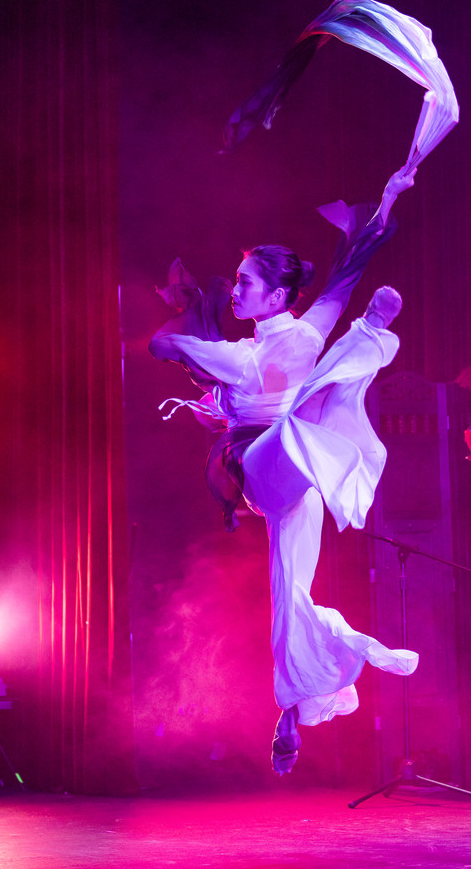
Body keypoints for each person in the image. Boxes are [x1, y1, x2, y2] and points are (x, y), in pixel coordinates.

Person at [149, 168, 419, 774]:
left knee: (290, 594)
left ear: (275, 299)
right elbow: (161, 347)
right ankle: (365, 341)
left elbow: (343, 278)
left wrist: (384, 205)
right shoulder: (241, 354)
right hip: (259, 467)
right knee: (298, 417)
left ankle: (291, 714)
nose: (237, 289)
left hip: (300, 484)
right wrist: (194, 345)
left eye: (246, 282)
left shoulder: (283, 340)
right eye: (238, 280)